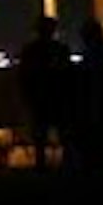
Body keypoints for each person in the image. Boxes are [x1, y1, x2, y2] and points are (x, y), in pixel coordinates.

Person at [14, 13, 79, 170]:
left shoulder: (30, 51)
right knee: (63, 134)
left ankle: (41, 164)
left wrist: (26, 97)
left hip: (40, 98)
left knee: (40, 135)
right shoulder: (60, 50)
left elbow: (24, 76)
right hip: (57, 98)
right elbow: (68, 75)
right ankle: (65, 164)